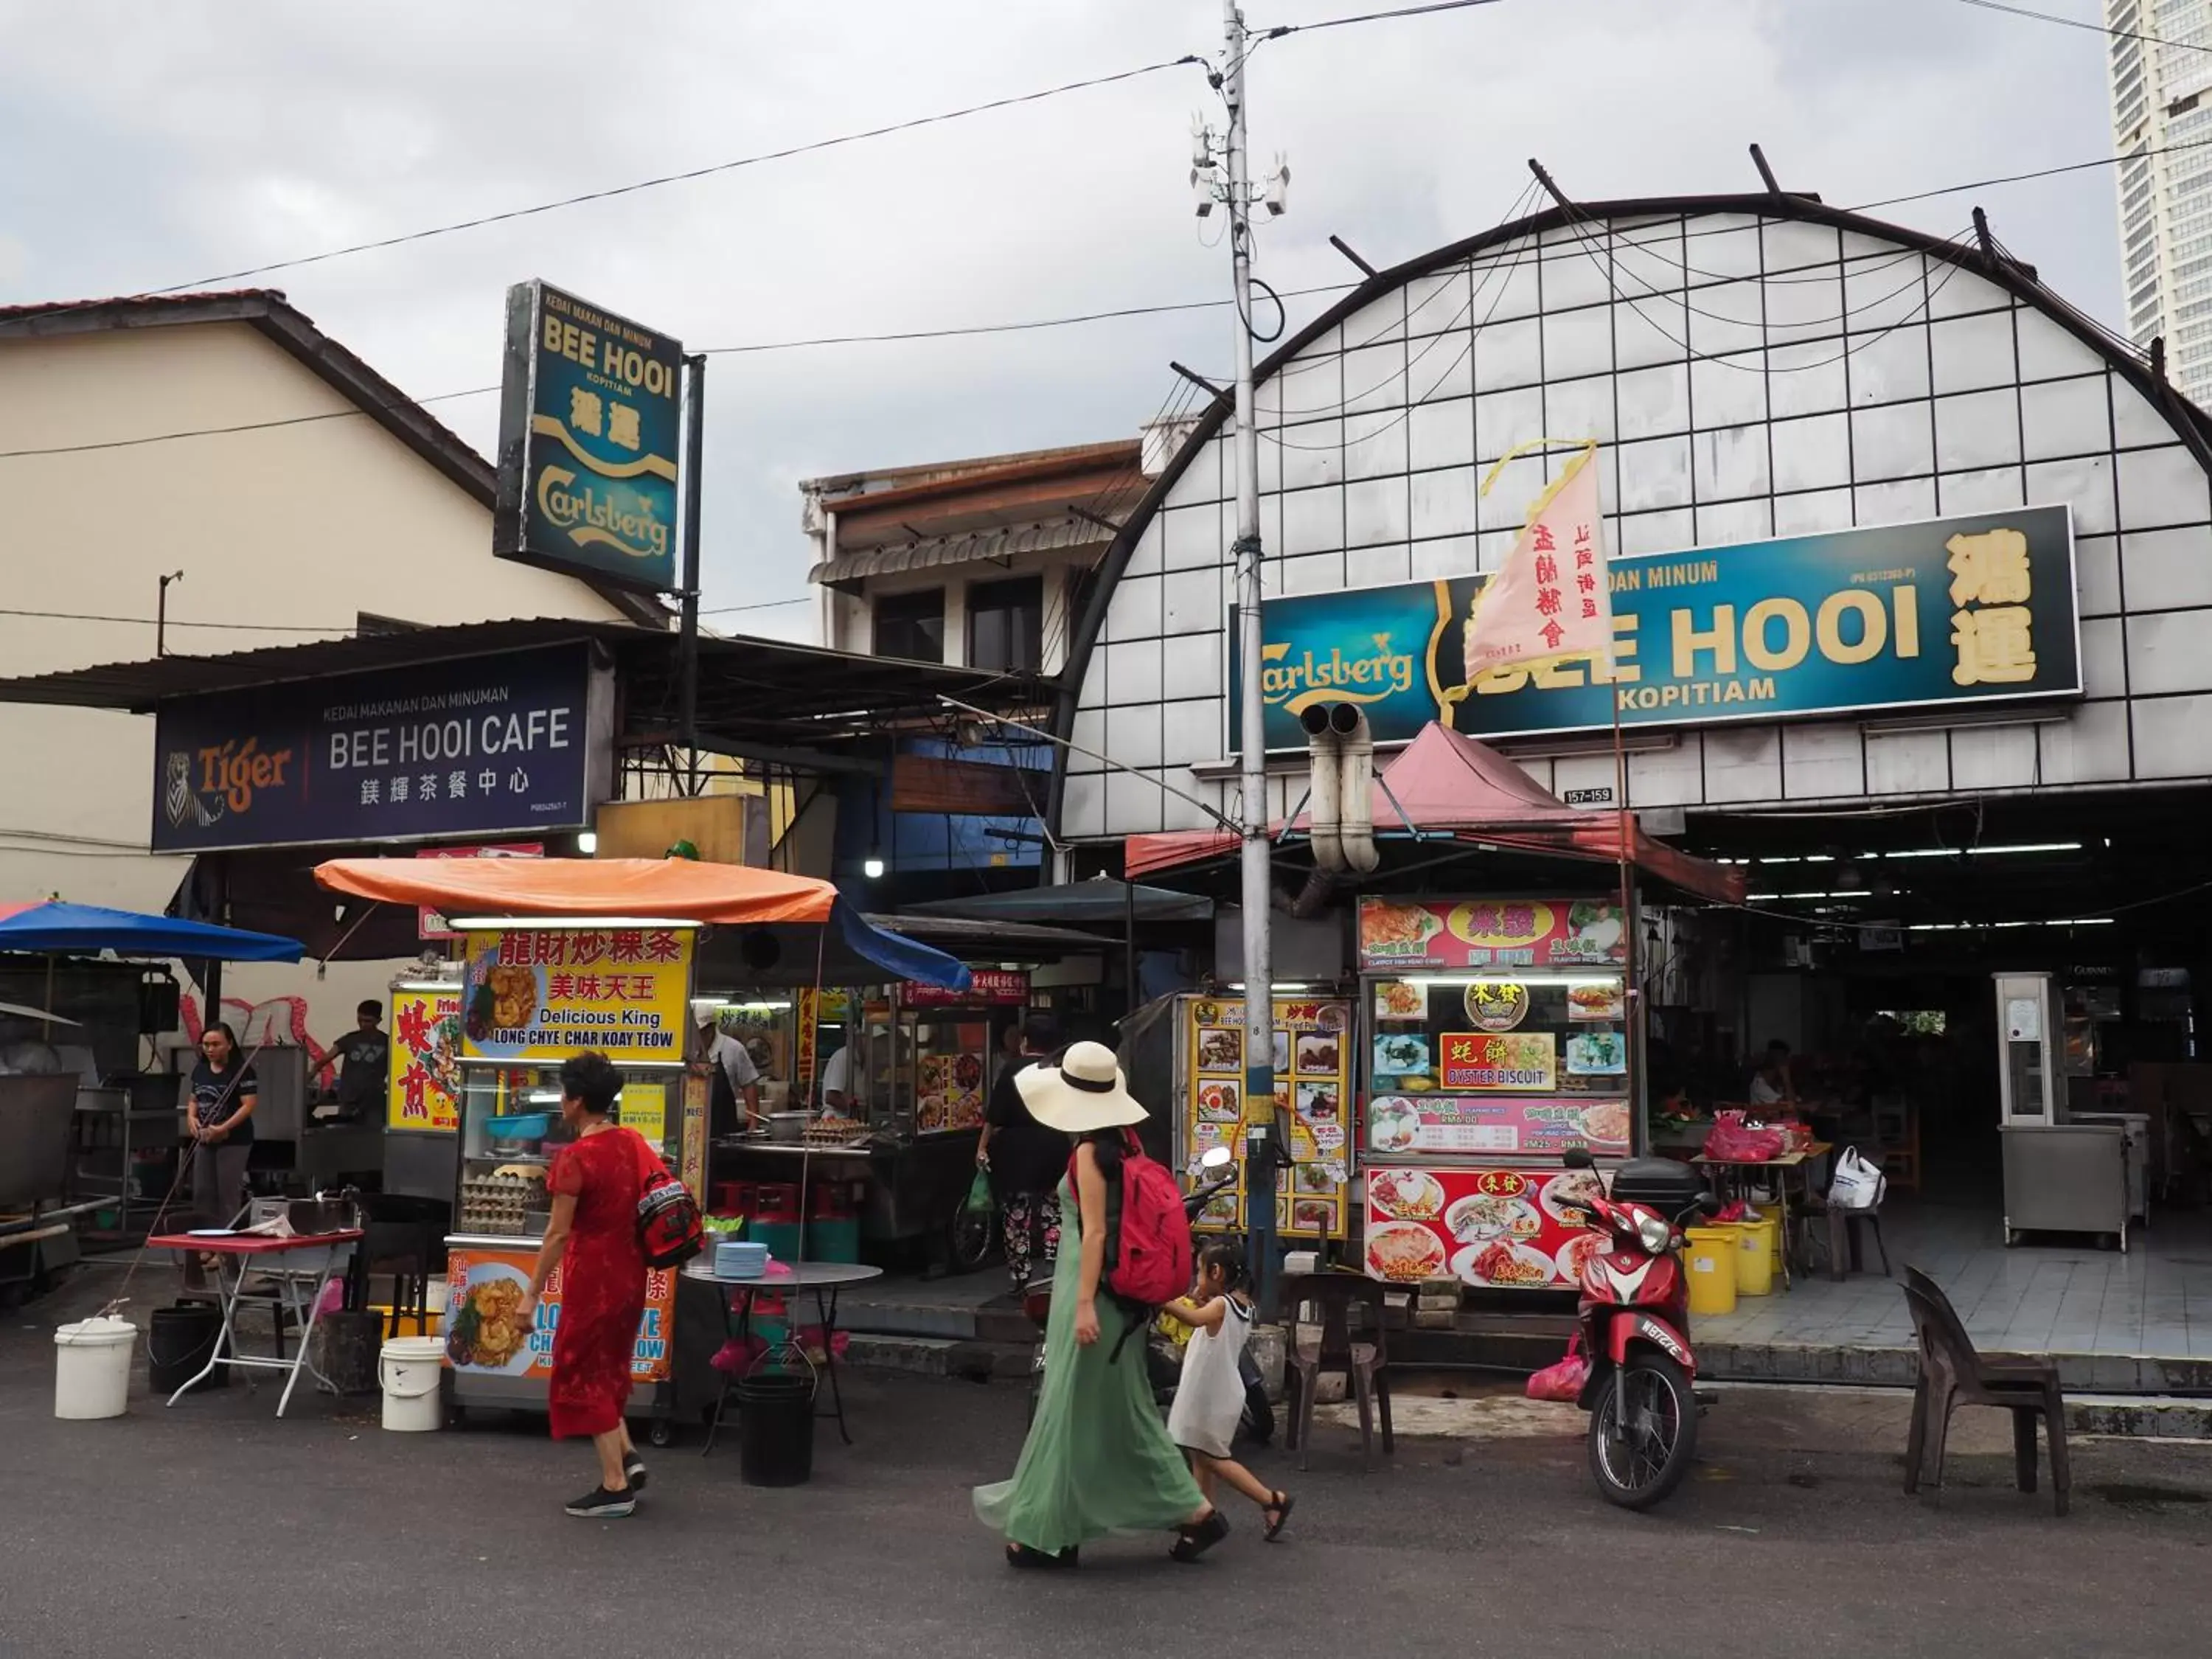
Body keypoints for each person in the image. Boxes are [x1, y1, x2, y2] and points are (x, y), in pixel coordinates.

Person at [973, 1041, 1225, 1568]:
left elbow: (1092, 1235)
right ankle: (1180, 1514)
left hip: (1090, 1299)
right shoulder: (1128, 1146)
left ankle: (1055, 1532)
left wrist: (1083, 1304)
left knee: (1075, 1412)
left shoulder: (1089, 1154)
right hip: (1118, 1300)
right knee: (1114, 1412)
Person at [528, 1049, 651, 1519]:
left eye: (564, 1095)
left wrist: (531, 1294)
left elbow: (557, 1233)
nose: (561, 1103)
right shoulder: (632, 1143)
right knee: (612, 1364)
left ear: (577, 1102)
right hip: (632, 1271)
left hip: (591, 1275)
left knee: (583, 1367)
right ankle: (628, 1456)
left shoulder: (575, 1159)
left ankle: (615, 1485)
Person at [1161, 1242, 1293, 1541]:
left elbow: (1194, 1319)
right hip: (1215, 1390)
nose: (1197, 1280)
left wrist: (1160, 1299)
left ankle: (1272, 1500)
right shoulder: (1240, 1304)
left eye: (1199, 1272)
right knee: (1200, 1457)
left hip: (1212, 1394)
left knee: (1212, 1459)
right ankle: (1200, 1520)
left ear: (1216, 1272)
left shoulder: (1221, 1307)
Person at [976, 1020, 1069, 1294]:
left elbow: (994, 1116)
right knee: (1054, 1209)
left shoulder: (1012, 1069)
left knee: (1017, 1214)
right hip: (1055, 1143)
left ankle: (1021, 1274)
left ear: (1025, 1041)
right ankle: (1054, 1261)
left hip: (1016, 1148)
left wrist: (981, 1147)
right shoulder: (1059, 1070)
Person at [186, 1022, 258, 1231]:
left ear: (230, 1044)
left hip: (234, 1140)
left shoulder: (243, 1070)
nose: (210, 1049)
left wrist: (224, 1127)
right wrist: (191, 1118)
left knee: (227, 1193)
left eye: (216, 1044)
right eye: (206, 1044)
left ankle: (225, 1248)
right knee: (202, 1193)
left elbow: (249, 1105)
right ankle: (205, 1244)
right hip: (205, 1138)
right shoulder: (200, 1070)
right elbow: (193, 1099)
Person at [310, 1000, 389, 1121]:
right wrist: (307, 1079)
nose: (362, 1024)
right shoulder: (350, 1039)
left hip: (374, 1102)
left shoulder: (388, 1042)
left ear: (379, 1021)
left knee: (373, 1137)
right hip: (349, 1100)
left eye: (368, 1021)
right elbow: (324, 1060)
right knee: (347, 1134)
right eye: (360, 1020)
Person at [698, 1015, 762, 1136]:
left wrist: (753, 1122)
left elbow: (749, 1084)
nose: (699, 1036)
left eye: (702, 1032)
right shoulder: (688, 1047)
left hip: (724, 1124)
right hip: (693, 1121)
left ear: (711, 1028)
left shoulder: (734, 1049)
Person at [1749, 1040, 1797, 1107]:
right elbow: (1789, 1106)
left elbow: (1795, 1100)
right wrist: (1787, 1080)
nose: (1788, 1063)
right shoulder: (1759, 1084)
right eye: (1785, 1059)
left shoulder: (1776, 1081)